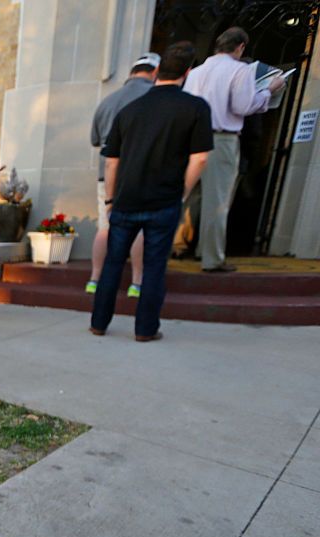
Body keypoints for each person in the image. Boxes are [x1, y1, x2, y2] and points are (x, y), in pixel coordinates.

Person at [91, 42, 213, 342]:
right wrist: (183, 191)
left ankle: (99, 323)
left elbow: (111, 162)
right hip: (164, 200)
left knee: (113, 264)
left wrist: (110, 198)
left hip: (126, 199)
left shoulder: (130, 110)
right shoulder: (195, 108)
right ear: (187, 72)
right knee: (154, 267)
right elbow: (200, 158)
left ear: (158, 71)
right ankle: (145, 329)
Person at [183, 27, 284, 273]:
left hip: (191, 138)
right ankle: (211, 258)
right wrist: (268, 91)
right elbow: (243, 105)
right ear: (240, 48)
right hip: (221, 139)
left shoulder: (196, 72)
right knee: (217, 202)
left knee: (187, 197)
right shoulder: (239, 70)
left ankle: (173, 247)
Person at [88, 53, 160, 297]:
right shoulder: (152, 99)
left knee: (105, 228)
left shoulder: (107, 101)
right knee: (140, 229)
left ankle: (94, 279)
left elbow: (95, 140)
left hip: (107, 175)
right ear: (154, 72)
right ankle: (136, 283)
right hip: (139, 173)